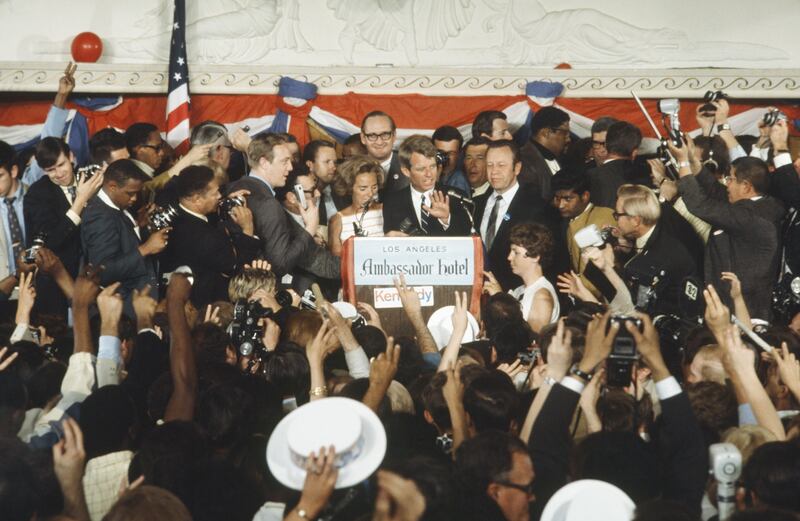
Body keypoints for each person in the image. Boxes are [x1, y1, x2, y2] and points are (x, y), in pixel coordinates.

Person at [675, 140, 784, 320]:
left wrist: (682, 163)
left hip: (743, 312)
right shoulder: (762, 204)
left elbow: (699, 205)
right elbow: (716, 191)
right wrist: (694, 162)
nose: (727, 185)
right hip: (739, 305)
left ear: (746, 186)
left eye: (730, 179)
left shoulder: (750, 218)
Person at [226, 133, 339, 287]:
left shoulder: (233, 188)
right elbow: (280, 265)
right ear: (264, 162)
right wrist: (310, 229)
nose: (290, 167)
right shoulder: (269, 204)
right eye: (284, 161)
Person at [161, 165, 261, 308]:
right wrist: (248, 229)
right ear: (197, 199)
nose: (220, 196)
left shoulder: (175, 212)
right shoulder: (205, 237)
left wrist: (221, 202)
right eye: (215, 193)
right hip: (207, 305)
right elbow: (237, 269)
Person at [24, 137, 104, 316]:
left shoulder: (90, 178)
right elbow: (50, 242)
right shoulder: (37, 195)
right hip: (56, 287)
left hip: (95, 278)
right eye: (50, 170)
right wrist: (80, 200)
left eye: (61, 165)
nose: (58, 173)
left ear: (71, 156)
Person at [474, 140, 558, 291]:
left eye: (501, 165)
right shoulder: (475, 204)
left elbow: (547, 262)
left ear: (517, 168)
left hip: (517, 298)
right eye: (489, 165)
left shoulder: (537, 207)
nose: (494, 171)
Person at [81, 159, 167, 301]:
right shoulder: (99, 217)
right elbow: (102, 271)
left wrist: (139, 226)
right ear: (112, 186)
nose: (134, 198)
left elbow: (122, 240)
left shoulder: (116, 205)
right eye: (130, 193)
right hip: (123, 307)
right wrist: (146, 249)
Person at [382, 135, 470, 237]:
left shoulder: (457, 196)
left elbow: (468, 239)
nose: (429, 174)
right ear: (406, 171)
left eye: (432, 166)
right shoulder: (392, 203)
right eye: (421, 169)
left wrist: (446, 219)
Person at [484, 223, 559, 333]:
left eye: (516, 252)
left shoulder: (541, 295)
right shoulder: (520, 290)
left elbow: (533, 343)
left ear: (536, 257)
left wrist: (500, 299)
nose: (509, 257)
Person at [587, 121, 651, 208]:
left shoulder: (587, 177)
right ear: (634, 153)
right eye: (596, 144)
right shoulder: (644, 175)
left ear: (607, 145)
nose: (601, 150)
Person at [328, 156, 384, 255]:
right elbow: (336, 262)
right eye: (363, 188)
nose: (370, 193)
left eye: (374, 187)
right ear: (349, 187)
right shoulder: (337, 220)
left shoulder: (385, 210)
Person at [519, 106, 571, 201]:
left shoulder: (562, 159)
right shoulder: (523, 161)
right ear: (546, 132)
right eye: (565, 133)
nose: (568, 139)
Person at [304, 139, 346, 226]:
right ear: (310, 164)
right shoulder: (301, 195)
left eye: (335, 162)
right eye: (327, 162)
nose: (333, 167)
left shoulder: (340, 191)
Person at [361, 111, 403, 193]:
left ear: (394, 136)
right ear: (363, 138)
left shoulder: (410, 166)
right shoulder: (351, 170)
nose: (379, 142)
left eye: (385, 134)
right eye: (372, 136)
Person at [432, 125, 471, 195]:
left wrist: (435, 185)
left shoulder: (459, 181)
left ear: (459, 154)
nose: (446, 157)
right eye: (441, 152)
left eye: (451, 153)